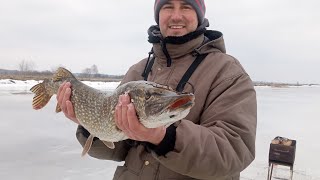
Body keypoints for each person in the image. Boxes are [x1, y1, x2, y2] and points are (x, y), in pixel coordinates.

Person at [56, 0, 257, 179]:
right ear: (158, 14)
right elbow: (116, 150)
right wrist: (88, 123)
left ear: (199, 14)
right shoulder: (139, 70)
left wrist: (163, 136)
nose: (176, 15)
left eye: (186, 6)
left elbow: (233, 151)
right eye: (168, 6)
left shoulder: (228, 72)